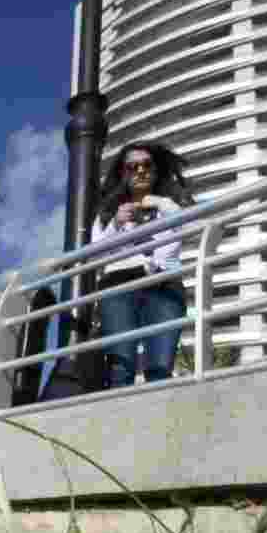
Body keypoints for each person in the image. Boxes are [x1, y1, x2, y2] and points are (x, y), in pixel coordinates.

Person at [91, 141, 195, 388]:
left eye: (147, 165)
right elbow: (94, 256)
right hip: (118, 286)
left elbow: (193, 227)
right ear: (122, 173)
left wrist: (160, 203)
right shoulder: (108, 213)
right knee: (120, 368)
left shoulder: (170, 206)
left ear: (156, 170)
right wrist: (116, 224)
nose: (140, 171)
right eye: (132, 167)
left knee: (160, 368)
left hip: (164, 284)